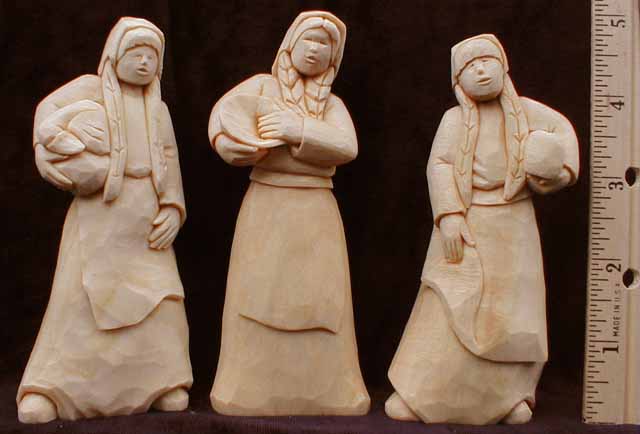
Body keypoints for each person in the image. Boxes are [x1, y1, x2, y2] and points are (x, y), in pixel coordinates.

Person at [385, 34, 579, 425]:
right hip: (467, 221)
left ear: (503, 66)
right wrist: (449, 216)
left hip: (514, 221)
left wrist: (558, 172)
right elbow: (440, 164)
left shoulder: (530, 112)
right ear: (458, 81)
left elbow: (564, 137)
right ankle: (420, 394)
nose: (481, 71)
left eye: (488, 61)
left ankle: (509, 398)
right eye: (470, 67)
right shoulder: (454, 120)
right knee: (447, 304)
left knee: (512, 313)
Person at [18, 17, 192, 423]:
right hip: (99, 213)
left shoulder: (159, 109)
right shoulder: (88, 89)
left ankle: (163, 382)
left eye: (152, 56)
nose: (144, 62)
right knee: (79, 301)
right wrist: (55, 150)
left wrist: (173, 207)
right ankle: (52, 389)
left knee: (160, 300)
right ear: (114, 55)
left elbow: (169, 158)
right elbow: (46, 116)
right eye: (136, 53)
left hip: (146, 217)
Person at [207, 11, 370, 416]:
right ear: (290, 45)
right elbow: (224, 116)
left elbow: (347, 146)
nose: (314, 50)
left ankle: (332, 391)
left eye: (324, 45)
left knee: (321, 301)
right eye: (308, 40)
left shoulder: (331, 104)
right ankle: (245, 389)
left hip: (316, 207)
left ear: (334, 57)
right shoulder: (261, 87)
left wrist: (296, 128)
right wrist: (228, 143)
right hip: (266, 202)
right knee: (257, 295)